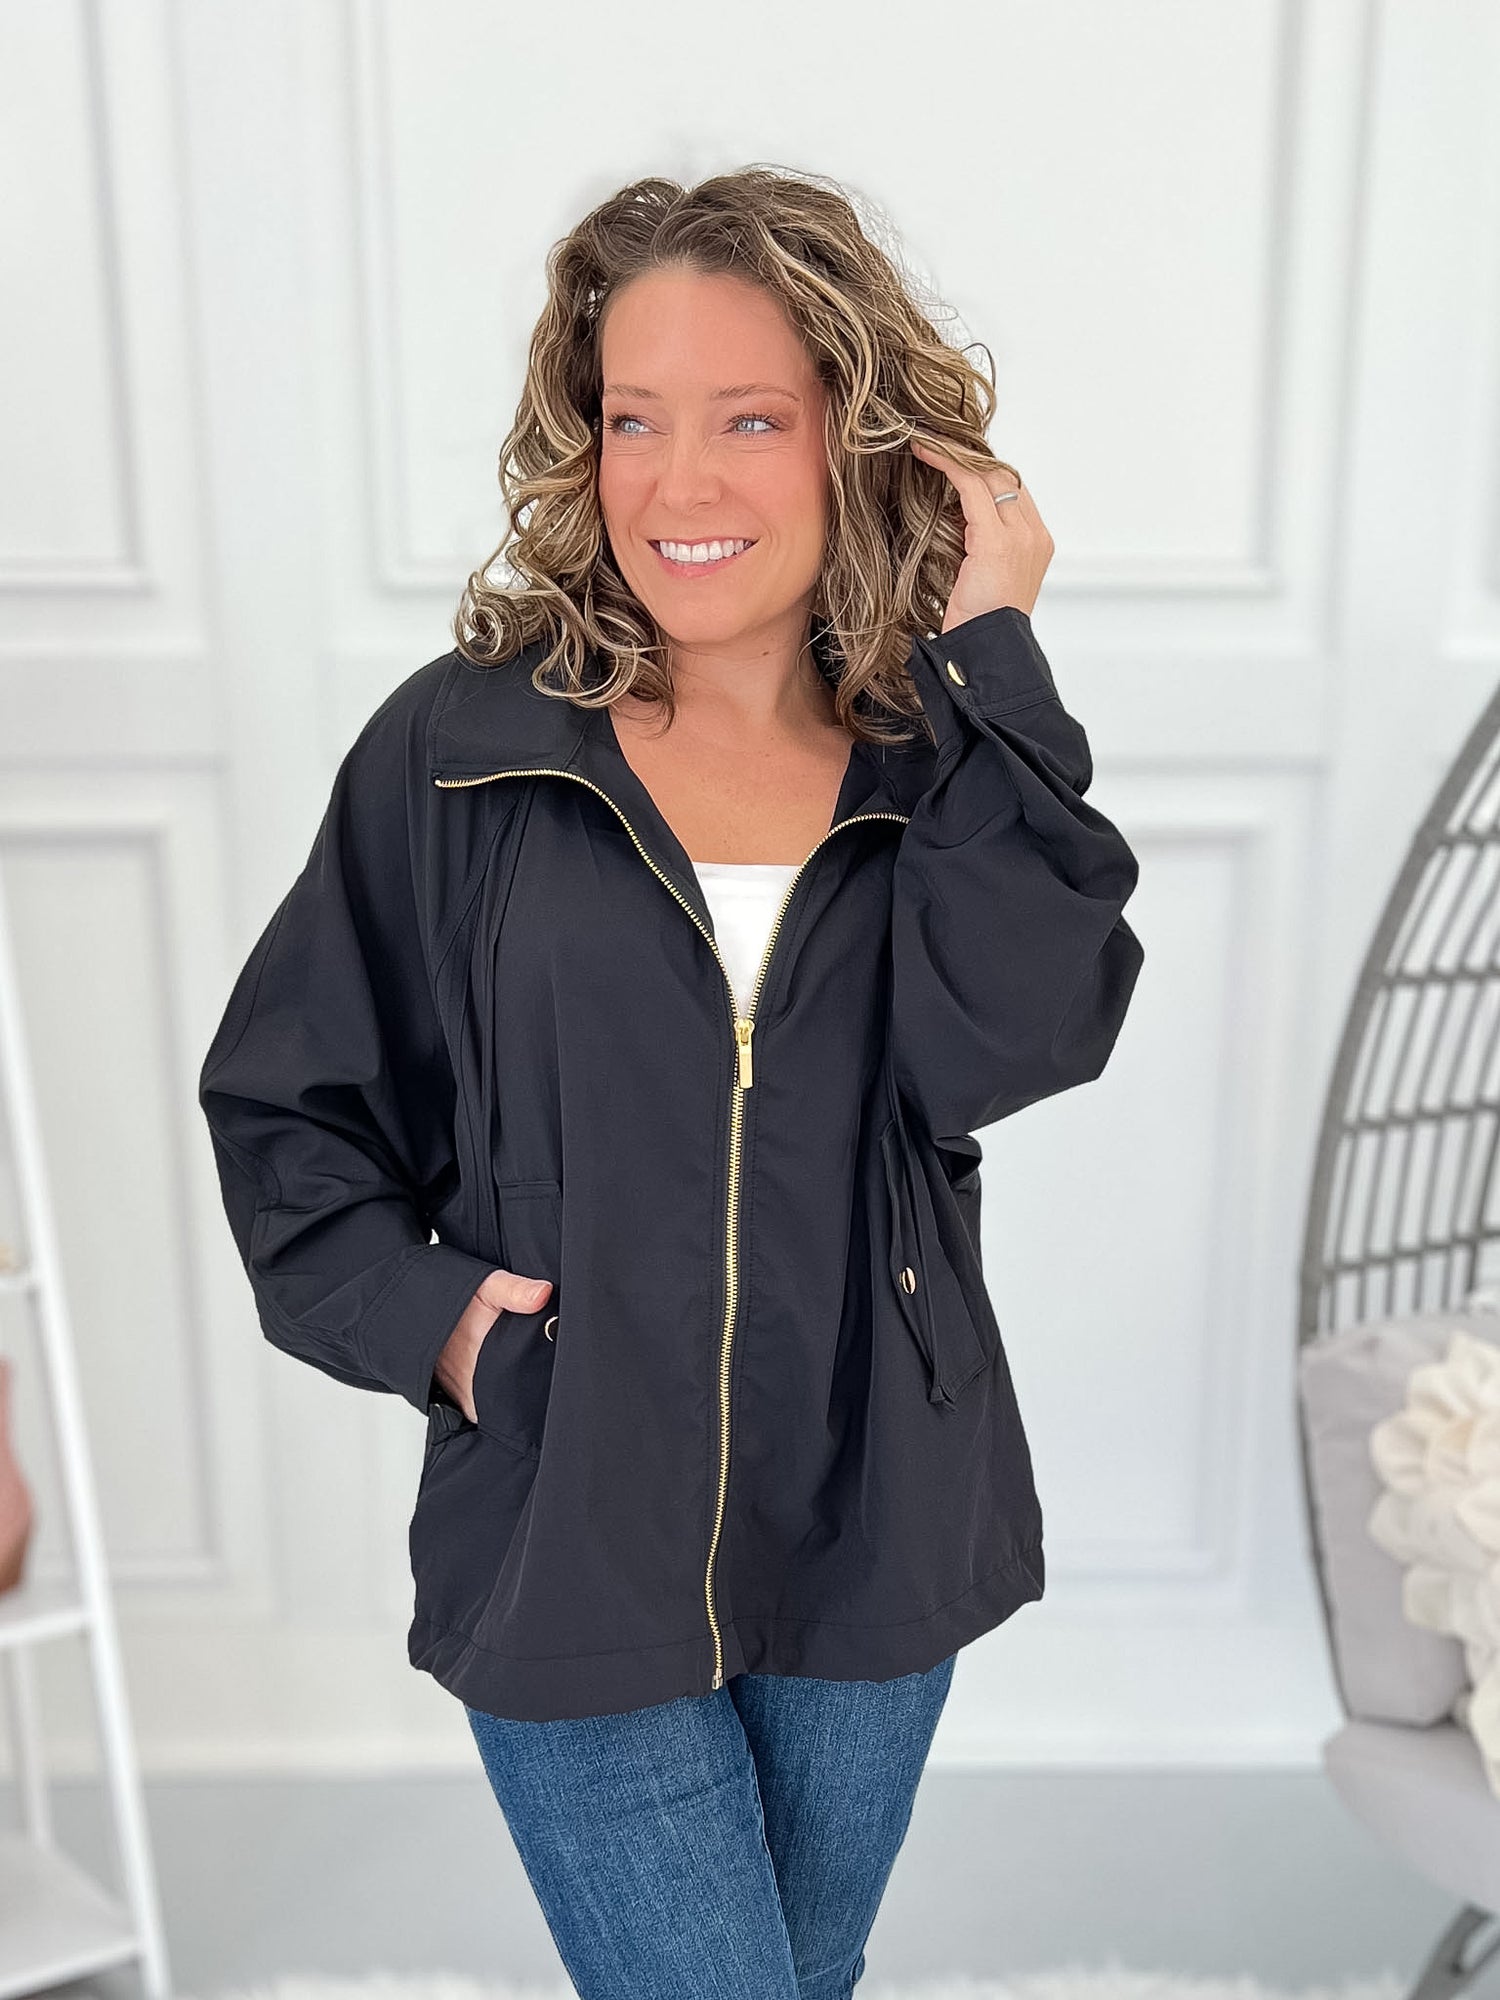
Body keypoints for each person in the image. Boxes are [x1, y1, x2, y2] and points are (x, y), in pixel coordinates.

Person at [198, 165, 1145, 1999]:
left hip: (879, 1511)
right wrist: (442, 1328)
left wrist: (994, 658)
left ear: (856, 439)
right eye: (635, 420)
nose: (679, 483)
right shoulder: (466, 749)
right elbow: (288, 1102)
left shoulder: (934, 755)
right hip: (567, 1509)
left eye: (749, 420)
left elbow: (1023, 1037)